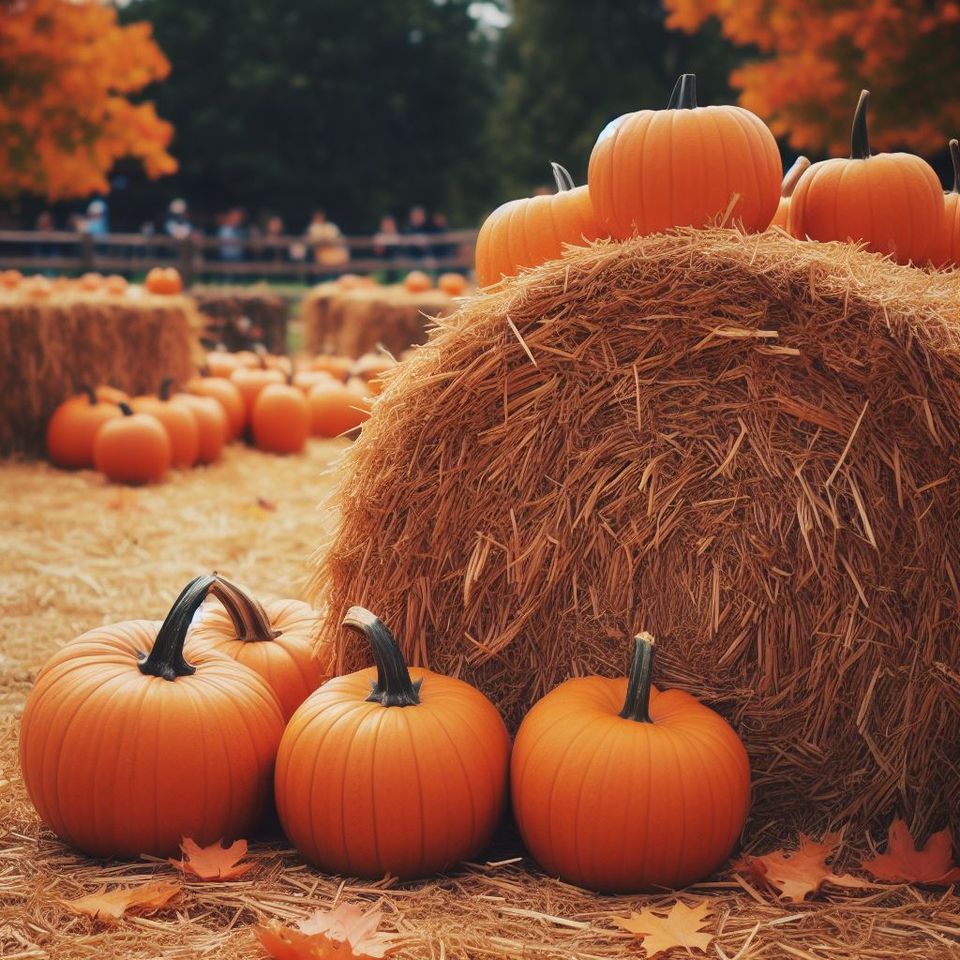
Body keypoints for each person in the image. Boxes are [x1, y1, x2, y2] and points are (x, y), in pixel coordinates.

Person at [373, 214, 401, 281]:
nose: (387, 226)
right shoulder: (379, 236)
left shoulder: (397, 236)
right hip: (382, 263)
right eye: (386, 224)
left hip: (395, 264)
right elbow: (377, 252)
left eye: (389, 224)